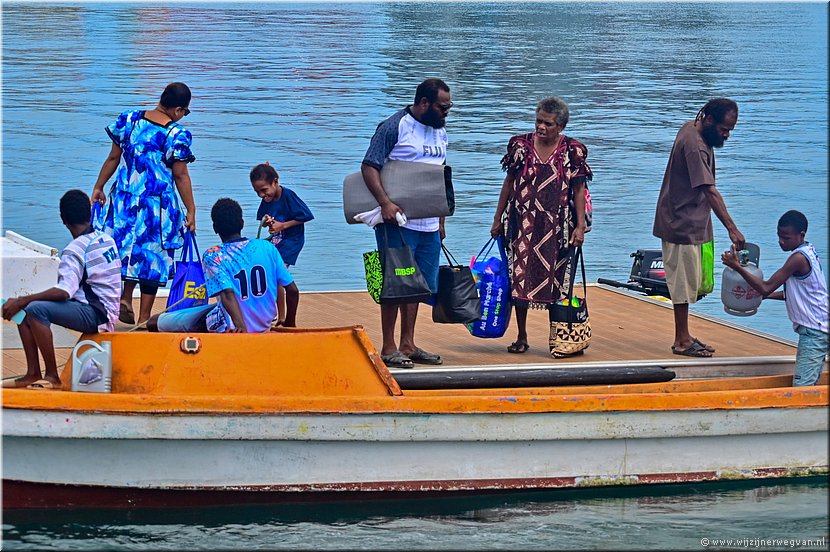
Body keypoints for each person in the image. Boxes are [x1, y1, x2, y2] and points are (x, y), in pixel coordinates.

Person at [360, 78, 452, 369]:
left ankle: (408, 343)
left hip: (428, 223)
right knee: (396, 281)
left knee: (418, 285)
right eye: (442, 106)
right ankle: (388, 346)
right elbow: (369, 165)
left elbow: (439, 175)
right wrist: (385, 203)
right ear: (424, 103)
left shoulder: (440, 130)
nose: (447, 112)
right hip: (397, 221)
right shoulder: (394, 126)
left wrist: (440, 218)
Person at [490, 96, 593, 355]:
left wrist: (579, 227)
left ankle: (557, 337)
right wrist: (497, 218)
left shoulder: (572, 151)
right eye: (538, 121)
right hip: (522, 221)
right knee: (518, 280)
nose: (541, 127)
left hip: (557, 226)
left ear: (560, 126)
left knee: (557, 282)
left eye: (547, 123)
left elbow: (579, 190)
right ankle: (521, 335)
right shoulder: (520, 146)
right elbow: (509, 183)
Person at [91, 82, 197, 326]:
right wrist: (191, 209)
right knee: (151, 258)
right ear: (179, 109)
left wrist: (99, 187)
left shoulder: (128, 120)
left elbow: (113, 158)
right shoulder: (176, 135)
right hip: (156, 207)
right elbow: (180, 175)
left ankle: (125, 298)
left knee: (127, 250)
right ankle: (143, 318)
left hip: (124, 201)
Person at [653, 98, 746, 358]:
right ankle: (681, 340)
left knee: (689, 280)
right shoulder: (695, 145)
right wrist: (732, 228)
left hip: (689, 218)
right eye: (723, 129)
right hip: (681, 221)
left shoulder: (693, 128)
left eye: (730, 130)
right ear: (709, 120)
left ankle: (685, 334)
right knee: (682, 283)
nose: (726, 135)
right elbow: (709, 189)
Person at [2, 190, 121, 389]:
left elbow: (65, 291)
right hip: (106, 307)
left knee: (34, 309)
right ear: (89, 213)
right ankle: (32, 373)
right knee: (23, 311)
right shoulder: (106, 239)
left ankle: (52, 377)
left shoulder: (75, 250)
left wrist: (23, 299)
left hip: (98, 314)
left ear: (63, 220)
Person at [147, 198, 299, 334]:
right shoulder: (267, 247)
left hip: (230, 323)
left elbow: (227, 294)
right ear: (242, 223)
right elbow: (292, 290)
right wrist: (290, 323)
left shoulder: (213, 255)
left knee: (153, 322)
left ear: (215, 228)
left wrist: (242, 329)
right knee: (206, 311)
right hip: (263, 324)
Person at [722, 210, 828, 386]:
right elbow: (793, 294)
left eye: (786, 237)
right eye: (779, 236)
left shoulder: (798, 259)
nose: (781, 241)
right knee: (811, 384)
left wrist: (736, 267)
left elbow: (766, 287)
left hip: (814, 331)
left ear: (801, 235)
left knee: (802, 388)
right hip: (822, 324)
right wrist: (764, 296)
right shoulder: (809, 251)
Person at [250, 163, 314, 327]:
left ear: (275, 182)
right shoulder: (267, 199)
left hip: (291, 240)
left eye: (264, 190)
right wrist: (269, 222)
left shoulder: (288, 196)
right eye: (258, 192)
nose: (262, 195)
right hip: (276, 240)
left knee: (278, 276)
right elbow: (263, 218)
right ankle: (280, 316)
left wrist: (282, 225)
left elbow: (306, 216)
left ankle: (282, 317)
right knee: (270, 273)